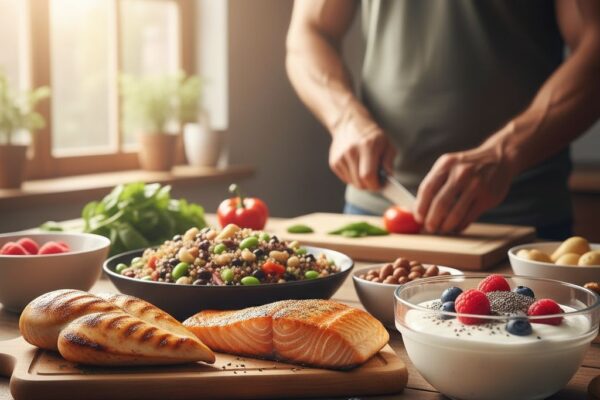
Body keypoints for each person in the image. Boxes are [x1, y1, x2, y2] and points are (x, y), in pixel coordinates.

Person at [285, 0, 600, 239]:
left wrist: (505, 152)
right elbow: (310, 31)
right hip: (378, 213)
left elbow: (594, 46)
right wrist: (344, 119)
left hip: (518, 222)